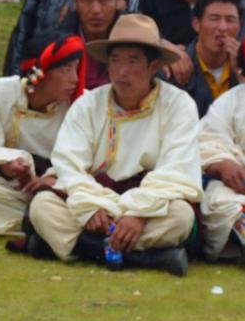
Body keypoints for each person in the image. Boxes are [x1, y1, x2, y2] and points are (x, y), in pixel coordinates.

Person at [28, 14, 200, 276]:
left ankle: (81, 247)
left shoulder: (179, 104)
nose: (122, 71)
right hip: (95, 199)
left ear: (153, 66)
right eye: (115, 60)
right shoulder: (88, 104)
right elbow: (69, 164)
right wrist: (92, 206)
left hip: (149, 201)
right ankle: (147, 258)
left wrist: (139, 214)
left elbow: (175, 171)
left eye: (133, 61)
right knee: (42, 206)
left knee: (180, 217)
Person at [0, 33, 85, 236]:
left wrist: (53, 179)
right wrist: (6, 165)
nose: (74, 79)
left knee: (75, 195)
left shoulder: (82, 104)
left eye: (76, 68)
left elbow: (86, 163)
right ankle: (42, 224)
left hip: (58, 187)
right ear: (39, 73)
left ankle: (40, 221)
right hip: (13, 188)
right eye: (65, 70)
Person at [171, 0, 242, 116]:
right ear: (196, 24)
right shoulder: (176, 66)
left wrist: (241, 72)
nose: (223, 27)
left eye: (230, 20)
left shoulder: (241, 66)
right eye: (214, 19)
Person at [198, 84, 245, 262]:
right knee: (221, 202)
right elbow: (206, 140)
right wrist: (223, 164)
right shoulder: (230, 101)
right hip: (237, 188)